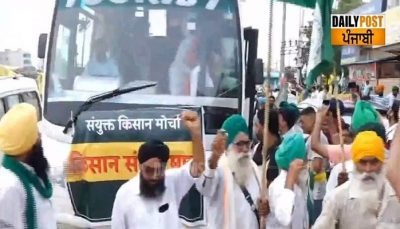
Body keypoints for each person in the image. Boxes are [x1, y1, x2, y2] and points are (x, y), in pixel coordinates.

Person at [111, 111, 205, 229]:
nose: (155, 176)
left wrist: (195, 133)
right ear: (140, 166)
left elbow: (199, 167)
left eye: (159, 170)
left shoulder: (172, 181)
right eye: (149, 170)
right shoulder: (125, 193)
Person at [313, 131, 400, 228]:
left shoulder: (396, 195)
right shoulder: (337, 198)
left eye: (374, 162)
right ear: (354, 163)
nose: (368, 169)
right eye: (363, 162)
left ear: (382, 163)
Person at [195, 115, 269, 229]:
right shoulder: (218, 167)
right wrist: (214, 158)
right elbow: (205, 188)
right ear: (227, 145)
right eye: (239, 144)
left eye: (247, 143)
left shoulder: (253, 167)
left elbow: (259, 203)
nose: (245, 149)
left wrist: (264, 208)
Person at [0, 103, 56, 229]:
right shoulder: (10, 188)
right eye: (36, 133)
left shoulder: (31, 170)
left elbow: (52, 175)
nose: (40, 136)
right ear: (27, 144)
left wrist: (72, 168)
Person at [266, 133, 309, 228]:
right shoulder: (279, 186)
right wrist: (290, 180)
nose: (307, 162)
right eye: (305, 157)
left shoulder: (298, 186)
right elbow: (284, 217)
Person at [252, 109, 281, 185]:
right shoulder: (256, 148)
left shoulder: (281, 153)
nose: (255, 129)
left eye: (256, 125)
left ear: (264, 127)